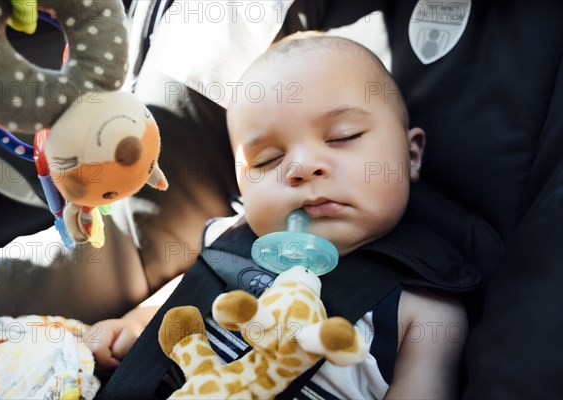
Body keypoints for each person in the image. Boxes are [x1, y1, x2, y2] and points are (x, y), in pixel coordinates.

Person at [86, 34, 471, 399]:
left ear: (411, 155)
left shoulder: (427, 310)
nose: (300, 166)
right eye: (268, 160)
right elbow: (179, 298)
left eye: (343, 136)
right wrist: (133, 324)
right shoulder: (229, 240)